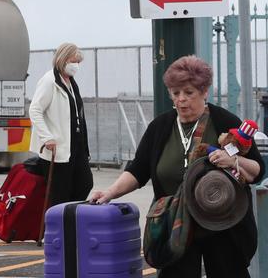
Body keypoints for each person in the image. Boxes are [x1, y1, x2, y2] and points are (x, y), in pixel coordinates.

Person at [90, 56, 263, 278]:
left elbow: (258, 170)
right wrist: (110, 192)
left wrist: (233, 161)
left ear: (204, 92)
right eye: (175, 93)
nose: (181, 99)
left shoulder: (225, 121)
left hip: (223, 225)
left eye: (189, 93)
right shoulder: (160, 127)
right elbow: (138, 170)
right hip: (176, 224)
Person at [29, 42, 92, 206]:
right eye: (73, 61)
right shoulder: (49, 81)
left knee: (85, 183)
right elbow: (35, 110)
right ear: (62, 59)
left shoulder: (71, 83)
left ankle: (70, 217)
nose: (76, 65)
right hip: (58, 148)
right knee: (59, 193)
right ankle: (56, 227)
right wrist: (47, 137)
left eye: (78, 62)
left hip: (76, 145)